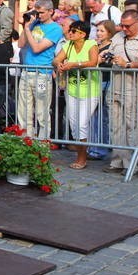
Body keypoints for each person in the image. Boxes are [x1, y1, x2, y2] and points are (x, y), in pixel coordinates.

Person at [101, 10, 138, 175]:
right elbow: (112, 52)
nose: (124, 29)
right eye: (122, 25)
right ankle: (118, 161)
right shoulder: (118, 37)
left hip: (134, 87)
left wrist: (128, 65)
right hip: (115, 85)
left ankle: (135, 163)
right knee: (115, 125)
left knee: (133, 126)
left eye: (128, 26)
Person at [53, 21, 100, 169]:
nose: (70, 33)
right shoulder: (68, 45)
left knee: (82, 124)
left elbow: (93, 61)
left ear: (83, 34)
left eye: (74, 31)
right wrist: (58, 64)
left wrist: (74, 64)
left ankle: (82, 158)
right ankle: (80, 154)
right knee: (74, 125)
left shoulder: (90, 44)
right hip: (72, 89)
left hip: (89, 90)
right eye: (70, 30)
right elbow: (56, 59)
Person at [17, 0, 63, 139]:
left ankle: (43, 143)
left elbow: (37, 48)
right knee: (23, 111)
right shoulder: (33, 24)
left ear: (51, 11)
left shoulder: (55, 28)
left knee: (42, 112)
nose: (39, 15)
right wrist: (26, 26)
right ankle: (25, 141)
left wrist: (27, 29)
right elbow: (20, 44)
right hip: (26, 71)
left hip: (42, 73)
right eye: (37, 12)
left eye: (42, 12)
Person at [88, 19, 116, 161]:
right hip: (93, 83)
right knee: (93, 117)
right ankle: (94, 146)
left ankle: (99, 149)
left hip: (105, 82)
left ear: (109, 33)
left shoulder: (111, 47)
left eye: (101, 31)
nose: (98, 33)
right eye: (97, 30)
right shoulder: (95, 46)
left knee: (100, 117)